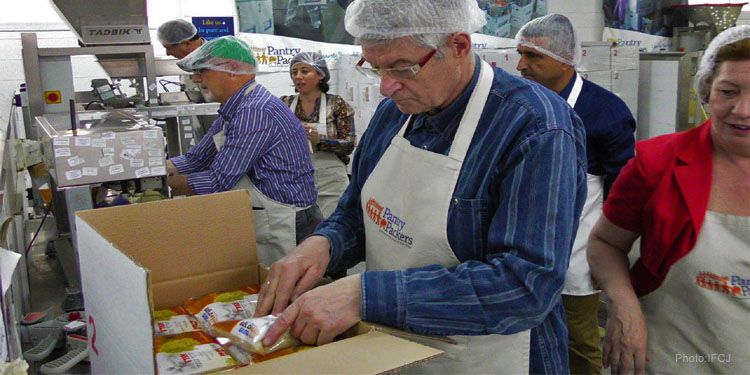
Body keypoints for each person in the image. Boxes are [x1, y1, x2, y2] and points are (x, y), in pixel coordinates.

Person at [254, 0, 588, 373]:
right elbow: (357, 211)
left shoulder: (535, 128)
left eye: (401, 67)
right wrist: (324, 245)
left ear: (459, 46)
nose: (385, 87)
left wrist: (363, 296)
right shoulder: (394, 113)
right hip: (393, 347)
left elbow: (525, 286)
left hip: (487, 359)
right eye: (375, 67)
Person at [588, 26, 750, 375]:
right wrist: (623, 304)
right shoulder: (658, 163)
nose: (743, 109)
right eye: (728, 91)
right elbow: (604, 242)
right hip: (668, 358)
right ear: (706, 92)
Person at [515, 14, 636, 375]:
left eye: (533, 56)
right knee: (523, 335)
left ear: (566, 60)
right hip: (519, 245)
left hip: (577, 250)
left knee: (578, 340)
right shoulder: (516, 104)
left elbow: (622, 194)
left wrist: (611, 259)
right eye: (520, 54)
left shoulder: (605, 112)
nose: (521, 65)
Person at [166, 36, 323, 266]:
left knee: (284, 294)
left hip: (289, 222)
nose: (197, 79)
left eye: (202, 71)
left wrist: (164, 186)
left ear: (232, 71)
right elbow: (197, 158)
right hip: (273, 217)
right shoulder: (236, 107)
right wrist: (159, 170)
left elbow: (218, 180)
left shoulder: (255, 110)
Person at [280, 52, 356, 218]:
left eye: (305, 71)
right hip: (297, 182)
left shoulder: (336, 104)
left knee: (333, 228)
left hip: (331, 184)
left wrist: (320, 141)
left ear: (320, 74)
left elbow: (349, 144)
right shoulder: (284, 104)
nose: (298, 77)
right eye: (294, 72)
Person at [157, 19, 206, 103]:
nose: (167, 53)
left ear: (187, 44)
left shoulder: (217, 58)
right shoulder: (186, 61)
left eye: (169, 48)